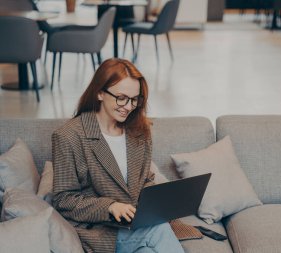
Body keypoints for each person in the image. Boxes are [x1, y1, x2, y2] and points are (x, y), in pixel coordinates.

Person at [52, 58, 185, 253]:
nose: (128, 106)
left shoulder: (139, 131)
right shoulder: (68, 136)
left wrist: (156, 203)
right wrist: (110, 206)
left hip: (135, 224)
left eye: (134, 99)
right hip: (100, 230)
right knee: (158, 230)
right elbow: (63, 199)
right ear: (99, 92)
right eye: (121, 97)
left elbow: (144, 180)